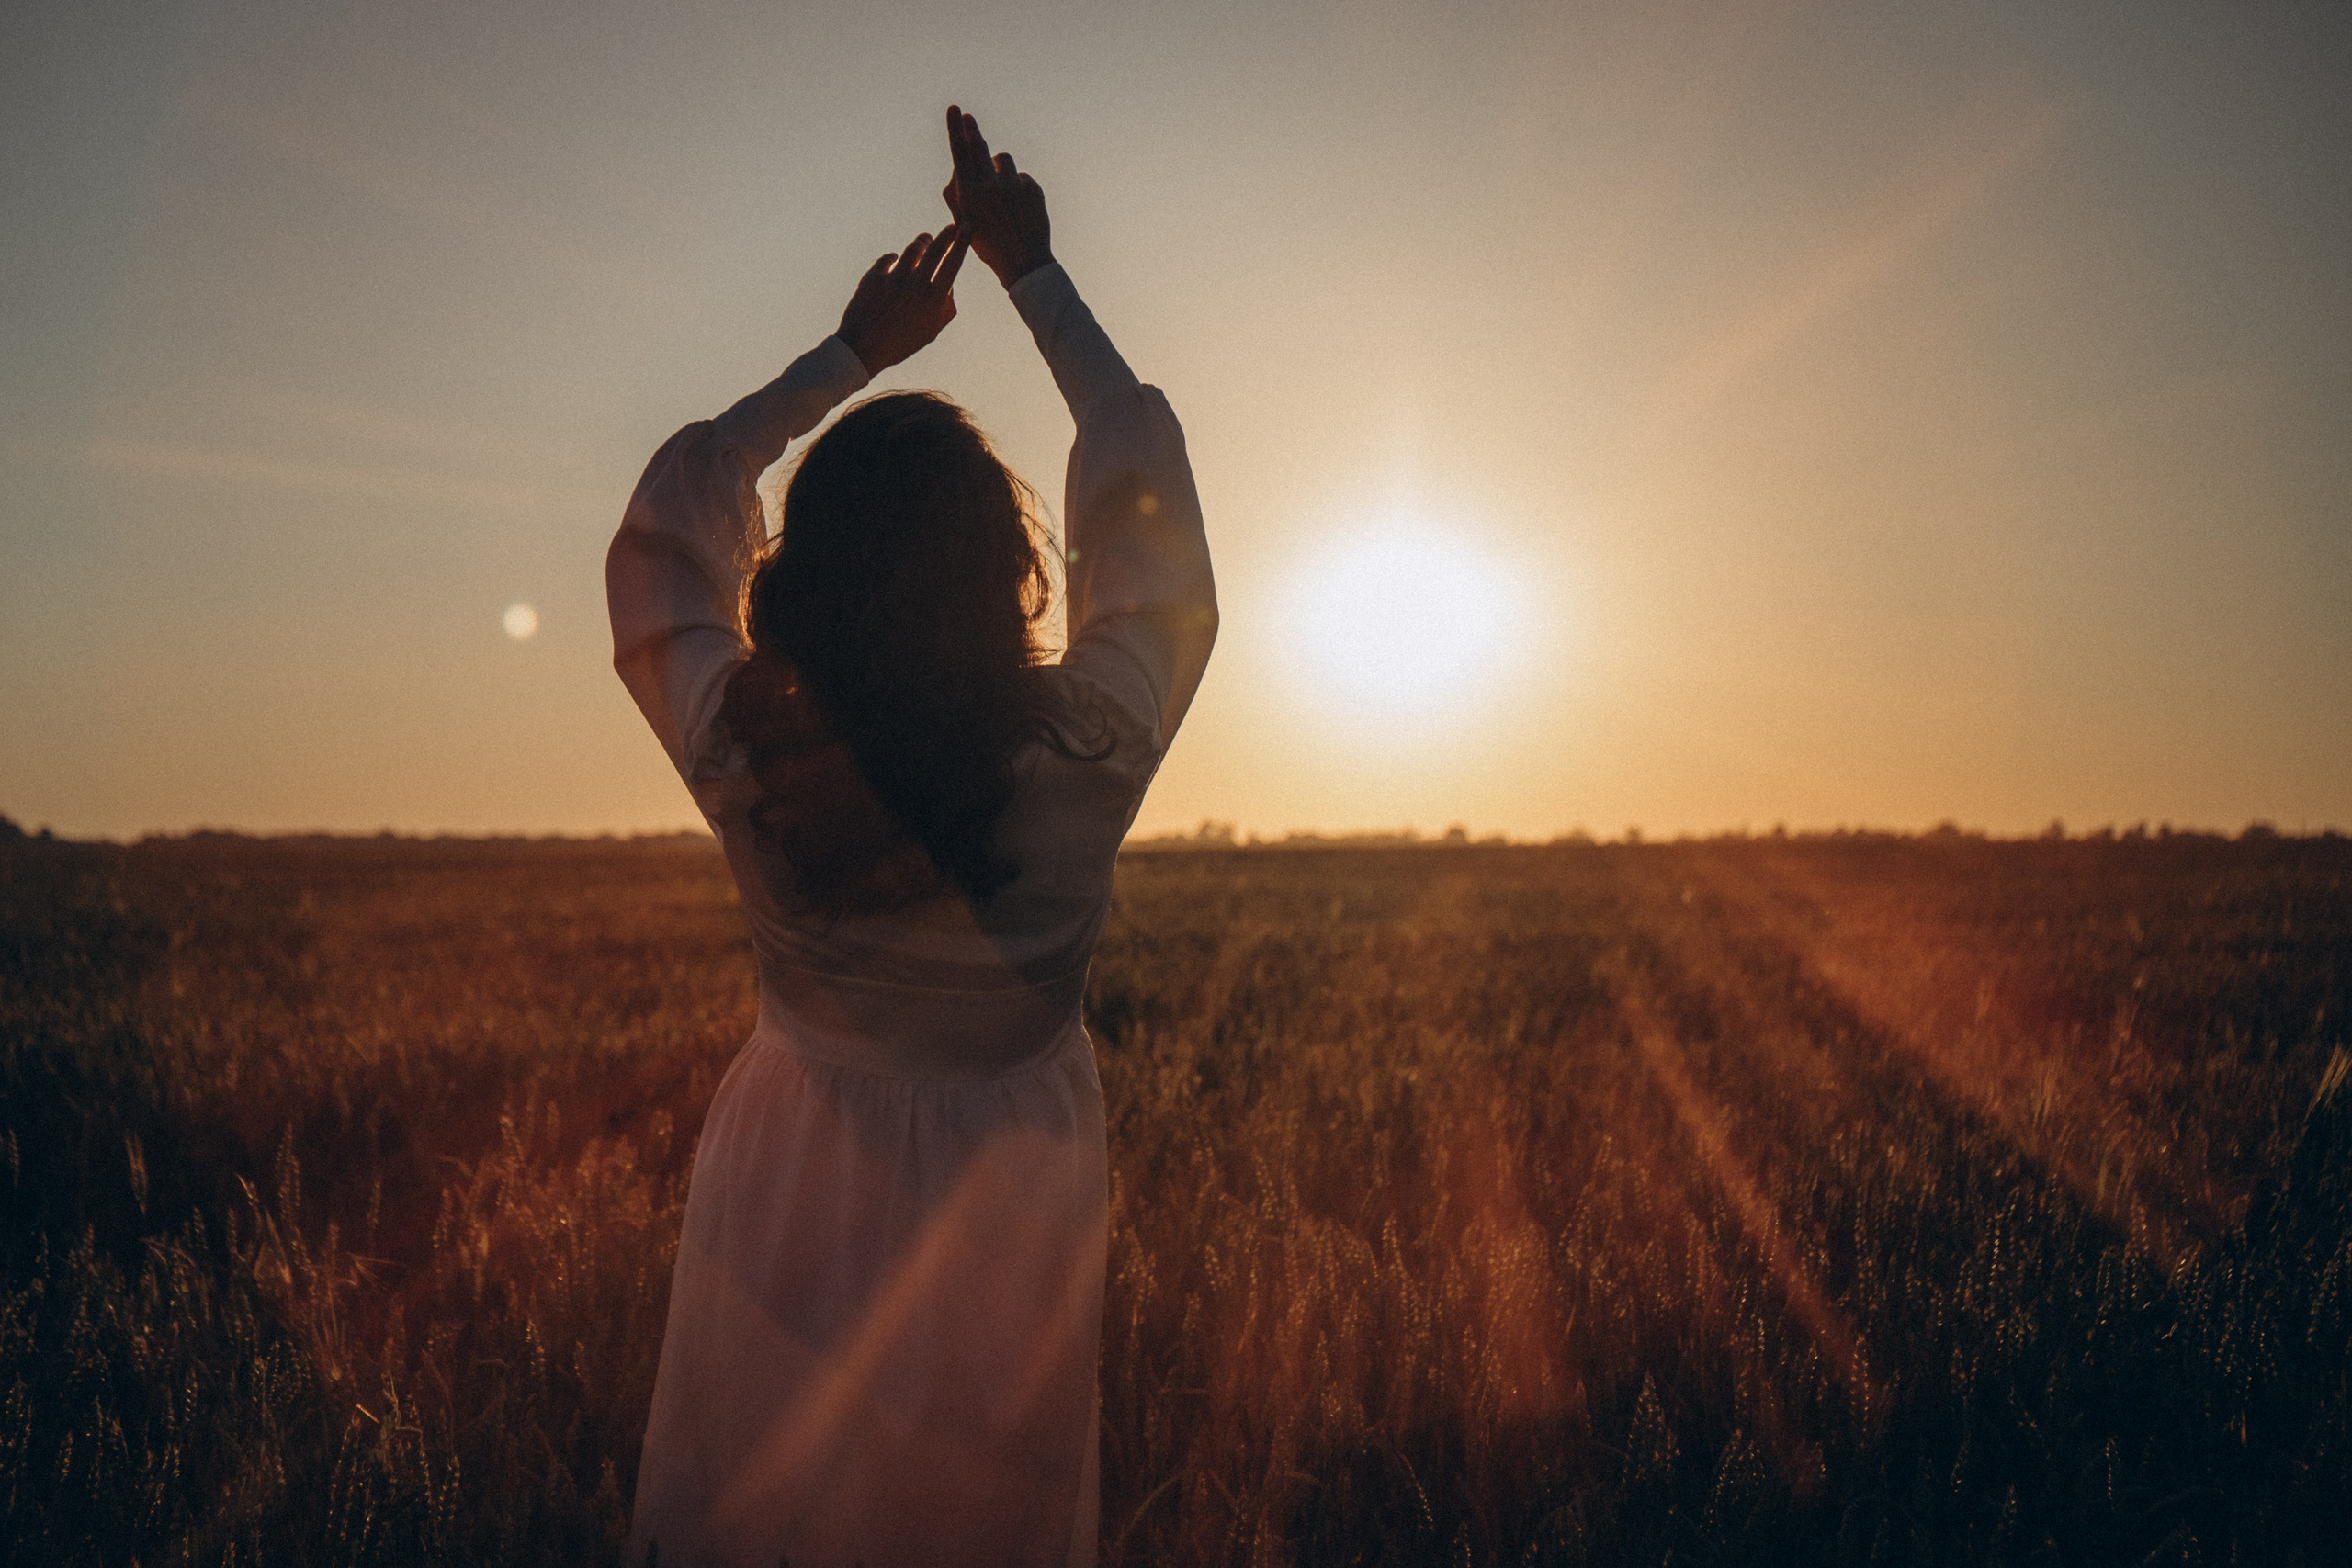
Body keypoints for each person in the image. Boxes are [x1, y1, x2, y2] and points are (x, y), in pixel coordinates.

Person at [608, 106, 1216, 1567]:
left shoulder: (745, 750)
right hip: (1017, 1195)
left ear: (800, 581)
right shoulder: (1089, 751)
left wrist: (851, 357)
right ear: (1009, 570)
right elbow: (1151, 532)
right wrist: (1036, 278)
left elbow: (668, 526)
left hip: (790, 1169)